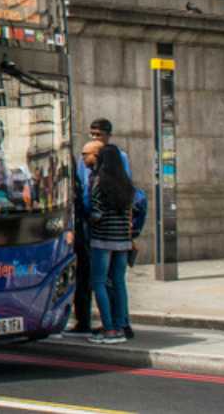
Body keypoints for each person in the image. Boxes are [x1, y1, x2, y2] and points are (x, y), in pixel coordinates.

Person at [87, 141, 135, 344]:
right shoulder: (126, 184)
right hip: (123, 241)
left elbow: (97, 214)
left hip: (103, 239)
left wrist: (87, 216)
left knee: (98, 282)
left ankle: (109, 329)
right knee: (119, 282)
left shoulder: (100, 182)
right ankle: (121, 324)